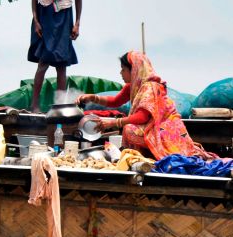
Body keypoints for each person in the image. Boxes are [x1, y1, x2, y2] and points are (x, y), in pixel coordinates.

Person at [77, 51, 215, 160]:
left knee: (129, 129)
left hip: (166, 130)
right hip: (152, 127)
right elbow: (116, 101)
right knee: (129, 128)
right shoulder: (134, 86)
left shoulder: (150, 87)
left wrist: (113, 122)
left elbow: (142, 117)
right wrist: (91, 97)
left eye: (123, 69)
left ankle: (148, 158)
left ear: (134, 70)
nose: (121, 73)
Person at [28, 0, 83, 112]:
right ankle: (34, 106)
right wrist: (36, 20)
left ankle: (59, 107)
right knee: (43, 62)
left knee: (61, 64)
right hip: (44, 14)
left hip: (65, 15)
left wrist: (77, 23)